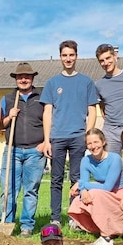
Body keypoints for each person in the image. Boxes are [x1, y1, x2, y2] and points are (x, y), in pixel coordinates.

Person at [40, 40, 98, 227]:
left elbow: (92, 111)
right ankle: (55, 218)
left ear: (76, 56)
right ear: (60, 57)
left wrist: (88, 136)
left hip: (78, 137)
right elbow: (47, 112)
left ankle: (75, 217)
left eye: (71, 55)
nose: (68, 58)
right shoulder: (52, 83)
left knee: (77, 178)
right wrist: (47, 140)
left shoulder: (87, 82)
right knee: (56, 179)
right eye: (64, 55)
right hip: (57, 137)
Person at [0, 62, 46, 237]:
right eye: (20, 77)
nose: (23, 79)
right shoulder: (8, 99)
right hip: (13, 150)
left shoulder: (42, 97)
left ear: (32, 78)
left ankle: (27, 225)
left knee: (30, 189)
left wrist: (45, 143)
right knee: (8, 189)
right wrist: (9, 117)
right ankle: (7, 222)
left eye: (27, 76)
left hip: (36, 151)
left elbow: (50, 122)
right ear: (16, 79)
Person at [68, 128, 123, 245]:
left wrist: (80, 184)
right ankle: (99, 228)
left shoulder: (114, 159)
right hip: (102, 192)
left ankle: (106, 238)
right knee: (77, 201)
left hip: (118, 195)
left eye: (96, 142)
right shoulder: (86, 160)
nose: (93, 146)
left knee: (95, 194)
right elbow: (85, 182)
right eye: (89, 143)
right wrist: (83, 190)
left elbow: (108, 187)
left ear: (103, 142)